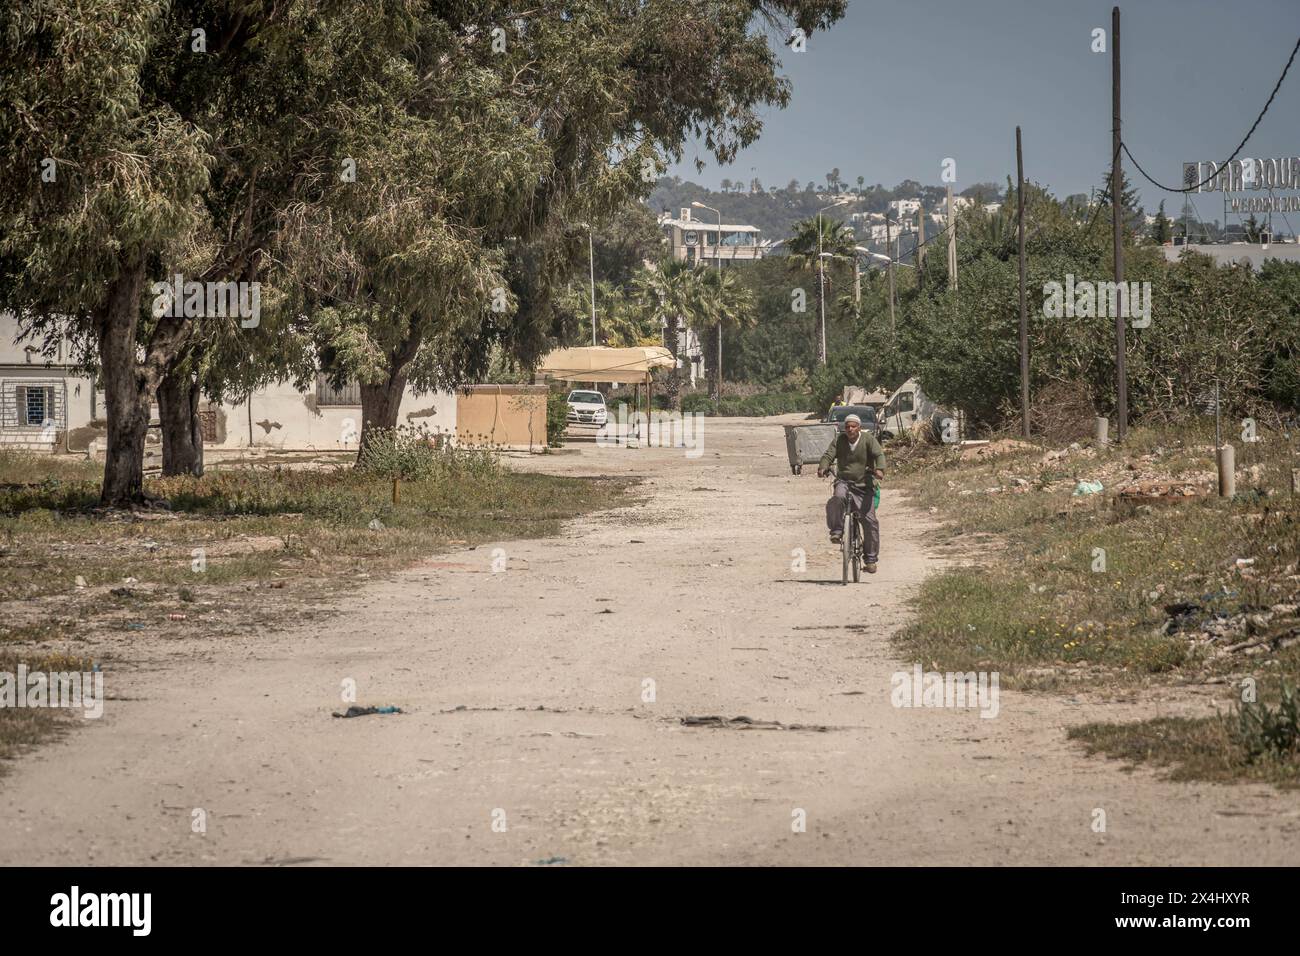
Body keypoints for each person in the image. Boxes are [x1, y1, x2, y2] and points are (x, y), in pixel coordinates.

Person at [816, 413, 884, 573]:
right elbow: (828, 455)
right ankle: (837, 531)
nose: (850, 429)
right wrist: (822, 467)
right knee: (836, 499)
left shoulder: (868, 439)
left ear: (859, 427)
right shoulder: (840, 440)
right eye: (847, 427)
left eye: (853, 426)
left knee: (870, 522)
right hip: (844, 482)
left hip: (864, 485)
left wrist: (880, 469)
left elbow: (879, 455)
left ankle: (870, 560)